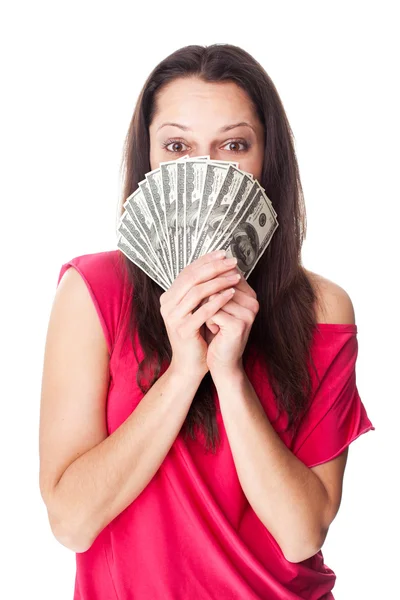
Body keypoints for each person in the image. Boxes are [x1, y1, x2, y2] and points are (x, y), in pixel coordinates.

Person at [39, 43, 375, 600]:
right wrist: (184, 369)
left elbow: (301, 534)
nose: (205, 169)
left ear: (268, 159)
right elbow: (71, 522)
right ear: (147, 158)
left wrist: (230, 373)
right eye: (177, 146)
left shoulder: (321, 308)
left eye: (234, 145)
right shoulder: (94, 293)